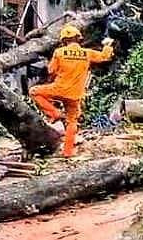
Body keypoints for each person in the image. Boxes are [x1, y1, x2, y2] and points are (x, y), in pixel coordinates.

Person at [30, 25, 114, 158]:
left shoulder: (59, 52)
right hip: (75, 95)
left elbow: (51, 71)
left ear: (64, 40)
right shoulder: (87, 53)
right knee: (72, 122)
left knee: (34, 91)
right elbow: (105, 57)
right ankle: (68, 152)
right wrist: (108, 45)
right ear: (78, 38)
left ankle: (55, 113)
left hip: (59, 89)